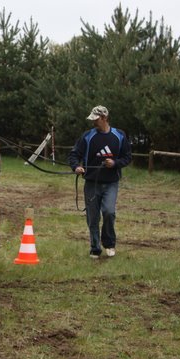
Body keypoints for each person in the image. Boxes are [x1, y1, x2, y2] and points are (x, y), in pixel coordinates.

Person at [68, 105, 132, 259]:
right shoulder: (87, 136)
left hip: (111, 183)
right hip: (91, 183)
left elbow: (127, 157)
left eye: (96, 119)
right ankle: (95, 248)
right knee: (93, 216)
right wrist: (76, 166)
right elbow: (74, 154)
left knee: (109, 212)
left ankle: (109, 243)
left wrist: (115, 163)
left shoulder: (119, 136)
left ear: (104, 118)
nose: (93, 122)